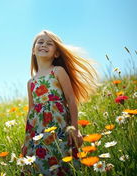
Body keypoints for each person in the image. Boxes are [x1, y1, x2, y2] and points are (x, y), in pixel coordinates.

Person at [21, 30, 98, 176]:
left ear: (56, 53)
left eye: (49, 43)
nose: (44, 45)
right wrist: (26, 140)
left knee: (64, 162)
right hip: (38, 132)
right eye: (40, 42)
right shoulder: (30, 82)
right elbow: (31, 111)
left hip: (60, 128)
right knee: (42, 166)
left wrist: (75, 129)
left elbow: (71, 100)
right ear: (33, 50)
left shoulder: (58, 71)